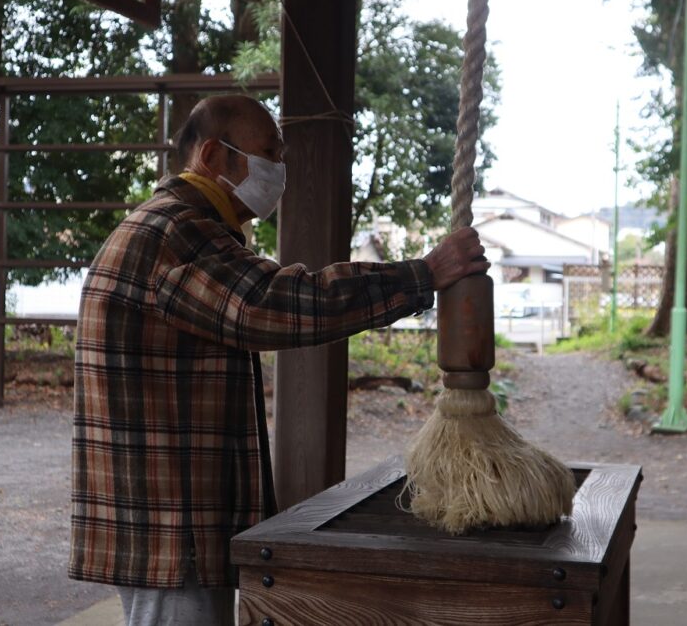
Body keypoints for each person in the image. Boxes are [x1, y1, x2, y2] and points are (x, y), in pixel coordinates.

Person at [68, 95, 489, 625]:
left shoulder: (173, 226)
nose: (279, 169)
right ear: (213, 157)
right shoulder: (177, 232)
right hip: (175, 527)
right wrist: (422, 275)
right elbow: (274, 301)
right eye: (268, 152)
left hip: (166, 516)